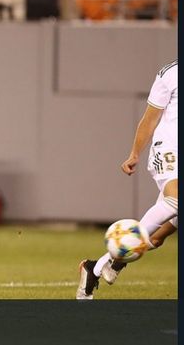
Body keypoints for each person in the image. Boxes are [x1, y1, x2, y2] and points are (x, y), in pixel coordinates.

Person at [77, 60, 178, 300]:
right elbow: (150, 119)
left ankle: (96, 267)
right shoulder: (170, 74)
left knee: (157, 237)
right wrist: (135, 153)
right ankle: (113, 255)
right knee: (176, 199)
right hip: (169, 150)